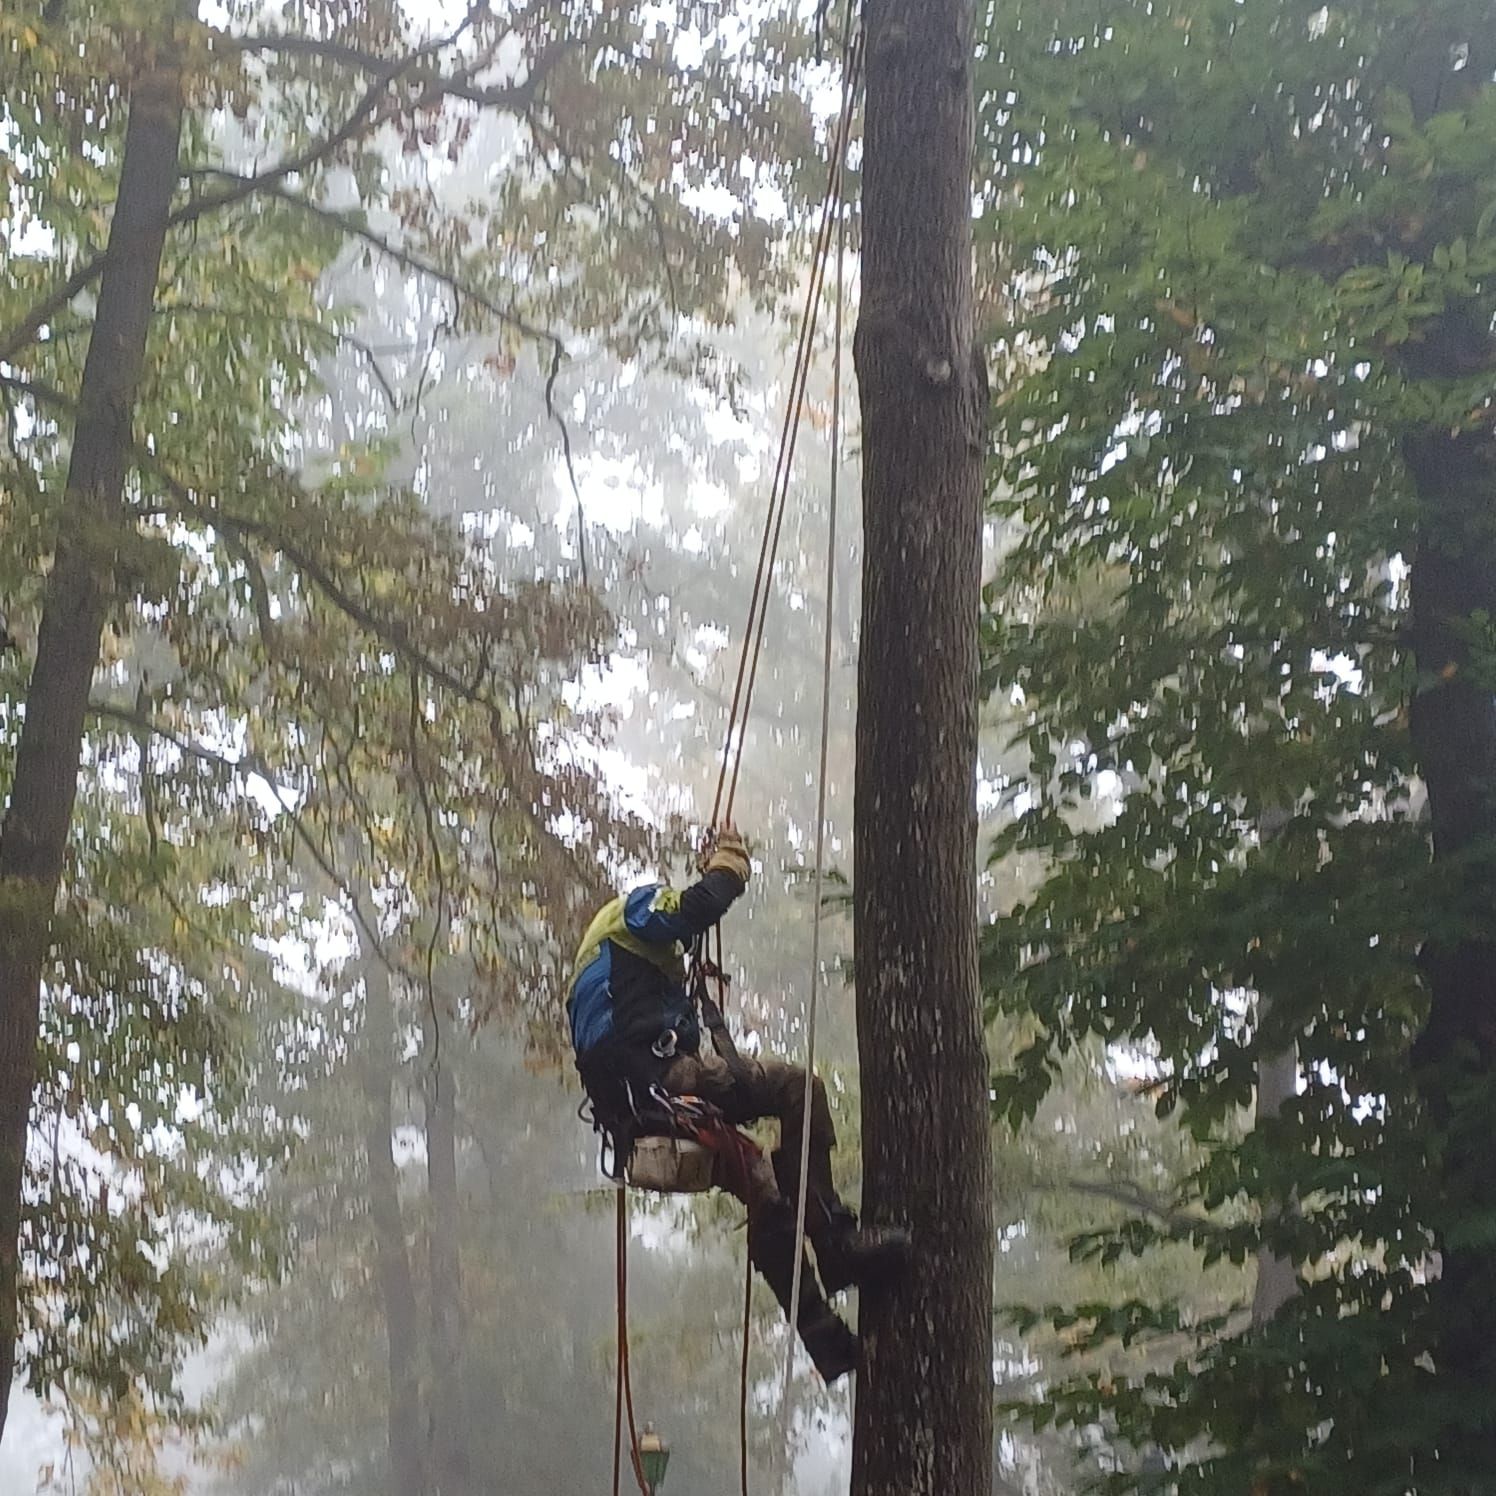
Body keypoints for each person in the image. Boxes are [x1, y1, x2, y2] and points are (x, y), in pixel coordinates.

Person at [566, 826, 908, 1382]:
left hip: (638, 1116)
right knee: (801, 1089)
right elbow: (697, 906)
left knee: (763, 1188)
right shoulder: (631, 912)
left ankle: (825, 1340)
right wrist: (730, 863)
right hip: (663, 1085)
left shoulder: (619, 979)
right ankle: (837, 1241)